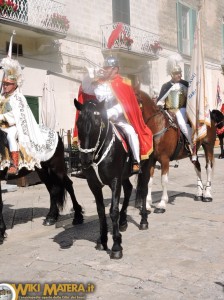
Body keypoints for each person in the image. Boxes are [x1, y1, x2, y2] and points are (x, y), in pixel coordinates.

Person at [92, 55, 153, 173]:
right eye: (105, 67)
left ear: (115, 69)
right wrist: (90, 77)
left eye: (108, 67)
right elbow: (94, 94)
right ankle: (86, 162)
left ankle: (136, 162)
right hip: (101, 119)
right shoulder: (99, 83)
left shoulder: (123, 83)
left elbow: (125, 105)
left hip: (119, 119)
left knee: (131, 133)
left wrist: (110, 113)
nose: (105, 69)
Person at [0, 57, 58, 175]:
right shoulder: (3, 97)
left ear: (14, 85)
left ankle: (14, 164)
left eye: (7, 84)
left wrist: (2, 118)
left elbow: (16, 115)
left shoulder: (18, 97)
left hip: (14, 125)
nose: (5, 86)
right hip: (2, 125)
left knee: (11, 136)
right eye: (4, 84)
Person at [157, 54, 195, 157]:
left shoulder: (186, 84)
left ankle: (192, 144)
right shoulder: (166, 86)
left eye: (180, 73)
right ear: (172, 75)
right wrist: (160, 106)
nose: (180, 75)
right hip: (169, 110)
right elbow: (160, 100)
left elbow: (191, 98)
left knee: (182, 124)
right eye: (177, 74)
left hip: (182, 109)